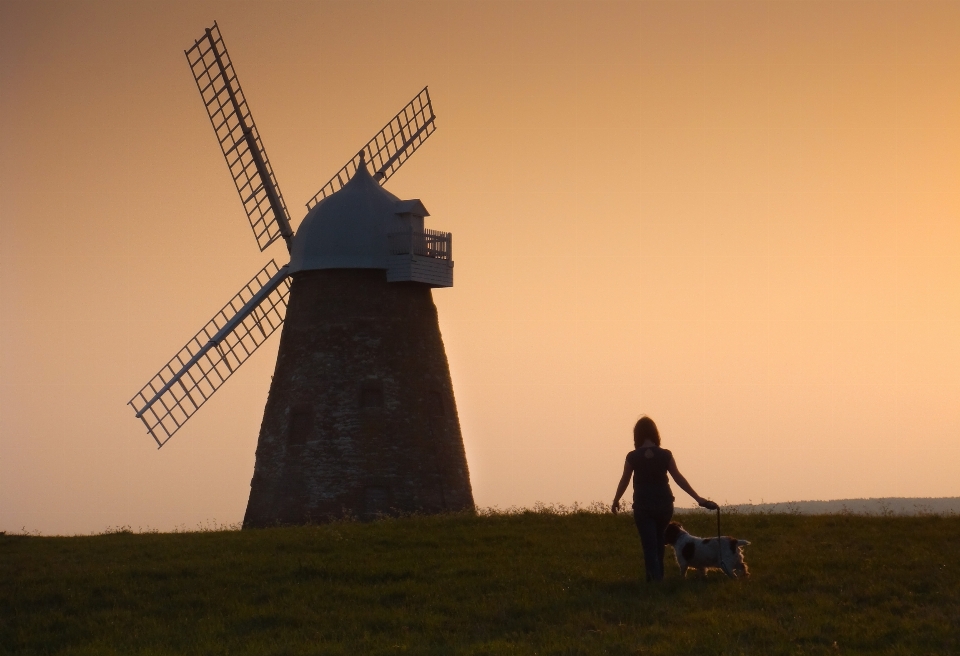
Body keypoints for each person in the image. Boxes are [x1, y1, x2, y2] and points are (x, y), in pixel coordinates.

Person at [612, 416, 718, 582]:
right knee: (659, 541)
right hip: (664, 506)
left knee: (649, 545)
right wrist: (699, 499)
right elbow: (678, 478)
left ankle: (654, 580)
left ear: (637, 435)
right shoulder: (665, 455)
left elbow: (624, 480)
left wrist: (616, 500)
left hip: (643, 506)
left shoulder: (632, 457)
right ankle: (659, 577)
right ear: (655, 434)